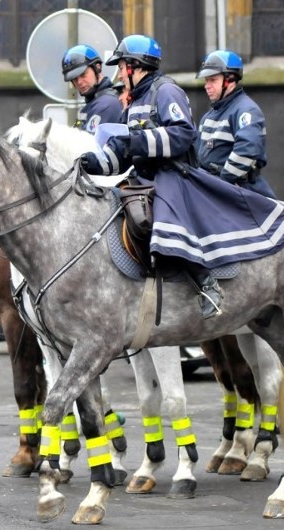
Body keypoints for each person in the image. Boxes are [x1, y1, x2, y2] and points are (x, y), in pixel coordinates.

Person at [78, 34, 224, 319]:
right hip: (142, 176)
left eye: (121, 66)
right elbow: (121, 149)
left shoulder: (166, 91)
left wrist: (137, 141)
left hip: (172, 174)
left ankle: (207, 284)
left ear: (135, 66)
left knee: (162, 213)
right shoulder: (133, 101)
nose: (118, 73)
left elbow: (182, 134)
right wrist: (91, 164)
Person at [195, 50, 276, 198]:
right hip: (212, 190)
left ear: (230, 79)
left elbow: (246, 150)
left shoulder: (246, 110)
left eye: (212, 80)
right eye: (206, 80)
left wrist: (221, 183)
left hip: (242, 192)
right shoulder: (208, 117)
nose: (207, 86)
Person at [61, 43, 123, 133]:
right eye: (74, 79)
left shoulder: (107, 104)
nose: (79, 82)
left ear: (97, 67)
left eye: (83, 74)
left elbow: (88, 145)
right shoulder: (94, 101)